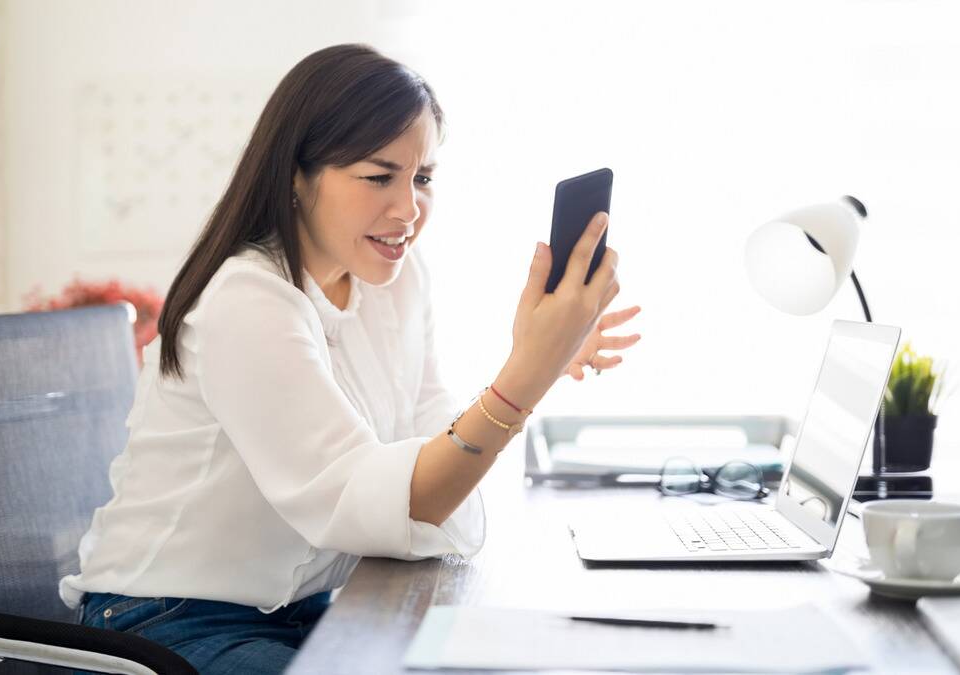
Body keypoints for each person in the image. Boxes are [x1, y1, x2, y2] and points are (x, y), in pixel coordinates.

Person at [60, 43, 641, 674]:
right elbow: (370, 505)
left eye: (422, 178)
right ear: (296, 175)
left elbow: (432, 455)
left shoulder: (398, 280)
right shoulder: (247, 299)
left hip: (309, 610)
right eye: (378, 176)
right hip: (163, 623)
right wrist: (528, 372)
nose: (408, 210)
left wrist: (540, 364)